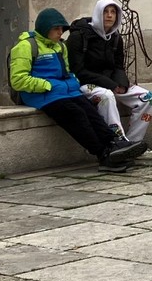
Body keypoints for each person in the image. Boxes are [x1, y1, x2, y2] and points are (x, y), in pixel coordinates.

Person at [10, 9, 142, 171]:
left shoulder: (60, 46)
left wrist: (73, 82)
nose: (60, 32)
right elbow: (18, 80)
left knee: (90, 110)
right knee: (75, 114)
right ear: (45, 28)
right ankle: (103, 154)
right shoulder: (25, 46)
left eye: (62, 29)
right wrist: (47, 85)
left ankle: (114, 144)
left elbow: (68, 71)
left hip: (65, 91)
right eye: (56, 29)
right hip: (42, 95)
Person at [68, 0, 152, 155]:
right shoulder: (79, 37)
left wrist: (121, 84)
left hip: (110, 82)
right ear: (97, 14)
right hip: (85, 84)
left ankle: (134, 143)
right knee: (106, 96)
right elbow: (78, 70)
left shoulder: (115, 37)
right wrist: (110, 84)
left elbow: (118, 66)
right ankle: (119, 145)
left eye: (113, 12)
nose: (109, 16)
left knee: (147, 97)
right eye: (105, 12)